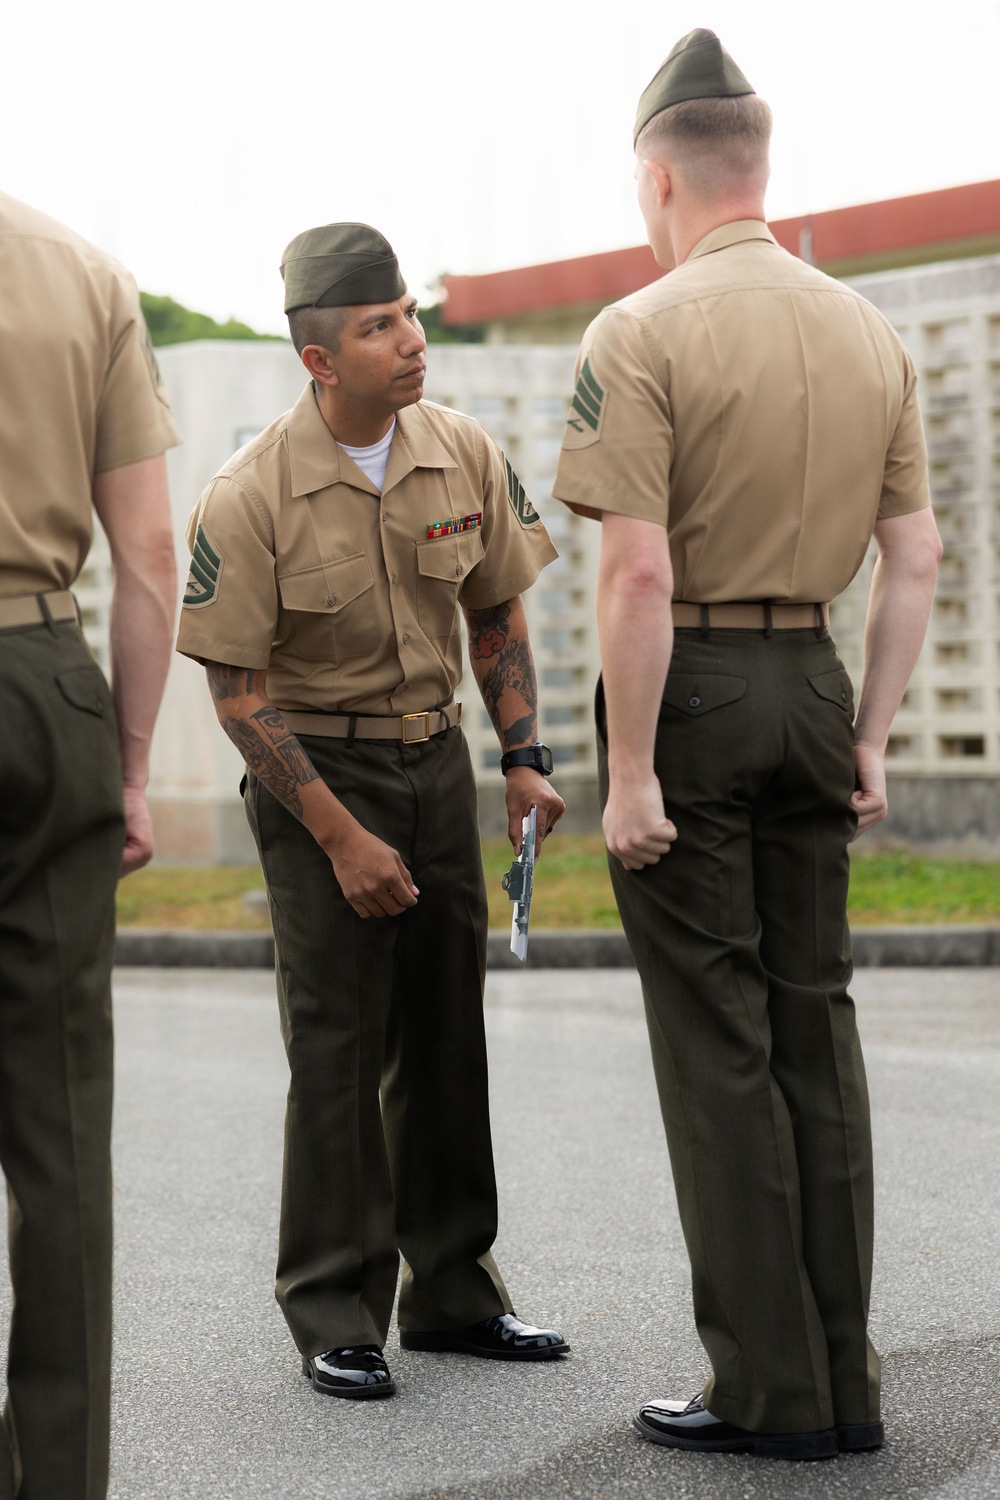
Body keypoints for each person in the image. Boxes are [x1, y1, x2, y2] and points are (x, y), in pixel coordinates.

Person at [552, 29, 941, 1462]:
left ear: (659, 177)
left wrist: (636, 769)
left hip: (697, 689)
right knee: (813, 1030)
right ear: (759, 168)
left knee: (718, 1042)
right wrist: (875, 738)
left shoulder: (639, 333)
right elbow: (917, 557)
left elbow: (637, 578)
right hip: (816, 681)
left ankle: (762, 1389)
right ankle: (845, 1386)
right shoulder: (868, 331)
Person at [176, 223, 568, 1399]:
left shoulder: (460, 450)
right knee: (339, 1048)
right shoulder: (248, 496)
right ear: (317, 359)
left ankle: (454, 1295)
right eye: (379, 326)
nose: (413, 340)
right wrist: (339, 839)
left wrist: (522, 759)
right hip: (316, 779)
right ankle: (333, 1309)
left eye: (408, 312)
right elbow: (238, 697)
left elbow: (494, 611)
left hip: (438, 761)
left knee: (446, 1035)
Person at [0, 192, 179, 1498]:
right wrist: (125, 761)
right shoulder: (82, 271)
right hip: (43, 678)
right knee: (59, 1122)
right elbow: (152, 552)